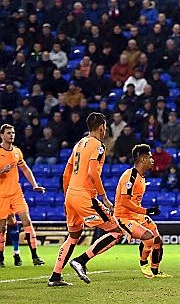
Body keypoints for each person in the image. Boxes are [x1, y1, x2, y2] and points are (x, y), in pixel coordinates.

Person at [48, 113, 125, 286]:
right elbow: (92, 173)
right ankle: (81, 261)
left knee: (73, 236)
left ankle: (55, 276)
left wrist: (67, 196)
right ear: (102, 127)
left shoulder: (79, 144)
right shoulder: (98, 146)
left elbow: (66, 172)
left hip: (71, 195)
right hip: (85, 197)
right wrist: (104, 197)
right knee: (116, 232)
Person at [115, 144, 170, 278]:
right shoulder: (130, 176)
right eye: (150, 158)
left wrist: (143, 212)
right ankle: (143, 263)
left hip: (137, 215)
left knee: (158, 241)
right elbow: (125, 201)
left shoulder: (141, 176)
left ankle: (155, 270)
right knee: (148, 237)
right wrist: (145, 211)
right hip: (124, 216)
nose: (153, 160)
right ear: (143, 160)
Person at [0, 124, 46, 268]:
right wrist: (1, 171)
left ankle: (35, 256)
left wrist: (34, 184)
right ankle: (1, 258)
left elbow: (25, 169)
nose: (11, 135)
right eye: (8, 133)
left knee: (27, 221)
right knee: (2, 228)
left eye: (13, 133)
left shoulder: (17, 152)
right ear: (2, 135)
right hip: (2, 195)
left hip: (16, 193)